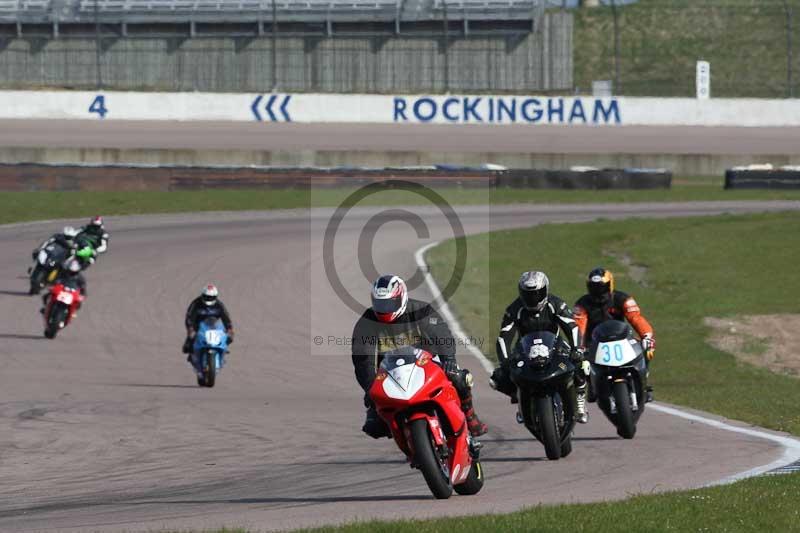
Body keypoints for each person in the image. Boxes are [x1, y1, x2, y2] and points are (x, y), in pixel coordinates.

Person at [351, 274, 488, 438]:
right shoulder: (366, 323)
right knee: (374, 426)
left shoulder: (421, 310)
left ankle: (469, 416)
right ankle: (405, 437)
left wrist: (449, 361)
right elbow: (362, 361)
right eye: (380, 304)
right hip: (390, 373)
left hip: (427, 363)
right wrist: (370, 387)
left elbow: (442, 335)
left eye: (389, 303)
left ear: (401, 297)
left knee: (459, 377)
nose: (385, 308)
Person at [489, 271, 590, 423]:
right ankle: (520, 397)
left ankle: (580, 398)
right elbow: (504, 338)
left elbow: (572, 327)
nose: (533, 299)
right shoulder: (514, 309)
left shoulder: (555, 303)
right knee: (497, 379)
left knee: (581, 363)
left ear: (545, 290)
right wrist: (505, 362)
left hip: (556, 346)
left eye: (537, 294)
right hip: (525, 349)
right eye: (528, 294)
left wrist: (576, 349)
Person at [574, 267, 656, 402]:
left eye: (601, 287)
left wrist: (646, 336)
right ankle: (592, 384)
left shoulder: (622, 299)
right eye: (594, 287)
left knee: (646, 348)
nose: (598, 291)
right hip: (595, 342)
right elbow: (579, 325)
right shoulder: (583, 303)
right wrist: (578, 346)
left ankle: (644, 384)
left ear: (610, 285)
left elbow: (636, 318)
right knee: (579, 360)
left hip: (622, 339)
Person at [182, 284, 234, 357]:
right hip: (198, 324)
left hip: (214, 325)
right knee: (190, 338)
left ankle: (222, 347)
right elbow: (189, 316)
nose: (209, 299)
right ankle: (191, 348)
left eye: (211, 297)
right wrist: (190, 327)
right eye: (207, 297)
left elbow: (226, 317)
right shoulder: (196, 304)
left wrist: (229, 328)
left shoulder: (219, 305)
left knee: (230, 337)